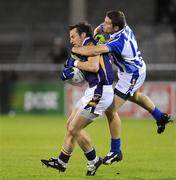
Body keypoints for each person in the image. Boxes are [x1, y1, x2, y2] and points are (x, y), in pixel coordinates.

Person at [72, 10, 172, 164]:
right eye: (104, 21)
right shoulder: (121, 26)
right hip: (135, 68)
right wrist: (98, 30)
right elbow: (101, 29)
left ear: (116, 28)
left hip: (132, 75)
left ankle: (115, 151)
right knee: (135, 96)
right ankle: (160, 117)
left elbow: (95, 50)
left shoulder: (119, 41)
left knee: (110, 110)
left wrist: (75, 50)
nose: (104, 25)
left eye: (107, 24)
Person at [41, 22, 115, 176]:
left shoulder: (91, 44)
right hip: (93, 90)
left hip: (100, 92)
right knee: (70, 125)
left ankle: (93, 160)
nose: (71, 40)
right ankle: (62, 161)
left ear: (83, 35)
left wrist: (74, 63)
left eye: (73, 36)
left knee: (75, 128)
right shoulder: (83, 49)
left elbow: (94, 67)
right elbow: (83, 77)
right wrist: (70, 76)